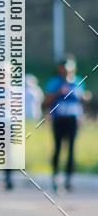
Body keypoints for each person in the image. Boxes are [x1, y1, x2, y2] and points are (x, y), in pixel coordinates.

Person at [44, 56, 86, 192]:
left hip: (72, 118)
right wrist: (58, 92)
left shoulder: (78, 81)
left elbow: (81, 99)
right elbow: (47, 100)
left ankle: (69, 179)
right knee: (57, 148)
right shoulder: (54, 82)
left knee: (71, 149)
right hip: (59, 118)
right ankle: (55, 176)